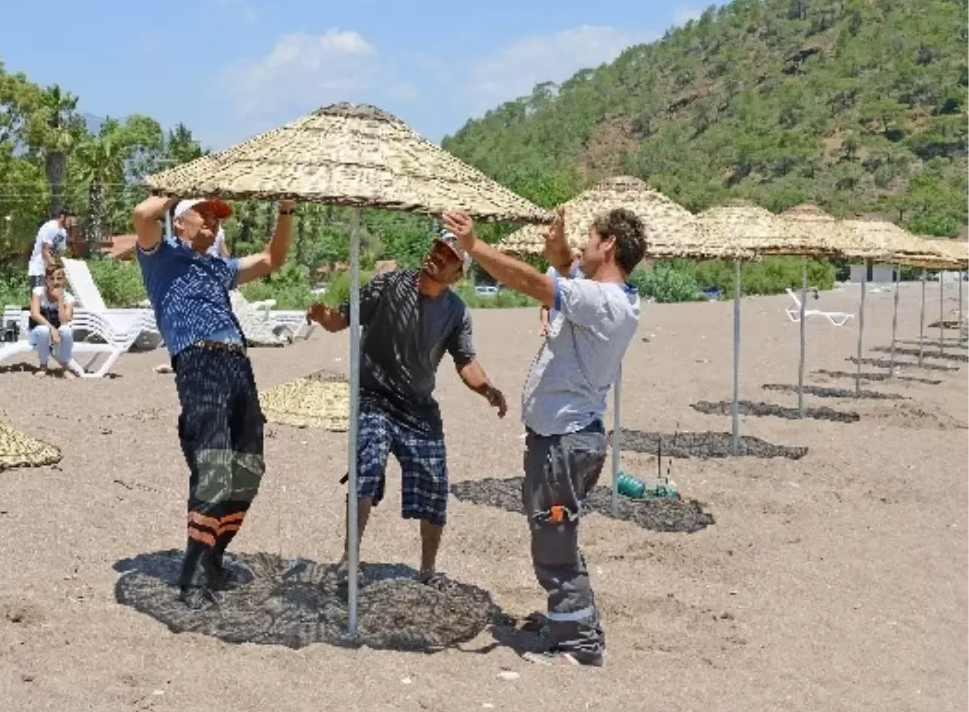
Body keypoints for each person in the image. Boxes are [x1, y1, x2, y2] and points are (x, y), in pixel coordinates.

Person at [442, 205, 646, 667]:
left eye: (590, 238)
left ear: (609, 244)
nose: (583, 245)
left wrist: (473, 246)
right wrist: (558, 255)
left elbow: (535, 284)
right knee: (558, 532)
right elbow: (561, 272)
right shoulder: (607, 296)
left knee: (554, 538)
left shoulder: (604, 301)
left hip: (565, 440)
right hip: (566, 437)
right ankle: (569, 618)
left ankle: (579, 643)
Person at [306, 232, 507, 585]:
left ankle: (428, 570)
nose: (438, 257)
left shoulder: (456, 311)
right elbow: (342, 320)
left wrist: (487, 388)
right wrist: (324, 317)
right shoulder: (387, 286)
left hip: (418, 407)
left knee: (434, 483)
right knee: (367, 465)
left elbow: (466, 361)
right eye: (437, 249)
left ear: (457, 274)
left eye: (448, 256)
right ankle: (348, 561)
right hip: (375, 397)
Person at [132, 193, 294, 608]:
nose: (214, 222)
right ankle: (190, 580)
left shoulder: (220, 268)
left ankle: (214, 559)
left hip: (238, 362)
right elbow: (143, 214)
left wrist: (286, 210)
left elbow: (273, 258)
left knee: (250, 467)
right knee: (215, 465)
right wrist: (180, 185)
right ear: (180, 222)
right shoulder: (160, 255)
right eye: (204, 214)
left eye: (217, 217)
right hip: (198, 358)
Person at [28, 261, 78, 378]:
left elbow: (64, 322)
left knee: (66, 330)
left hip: (57, 336)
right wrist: (52, 330)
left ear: (64, 280)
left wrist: (60, 299)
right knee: (43, 330)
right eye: (51, 278)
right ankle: (43, 366)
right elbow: (35, 314)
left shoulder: (69, 298)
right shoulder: (38, 292)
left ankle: (65, 368)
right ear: (46, 280)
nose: (55, 282)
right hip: (37, 334)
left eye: (59, 278)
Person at [538, 246, 583, 336]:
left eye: (579, 257)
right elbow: (545, 304)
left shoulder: (583, 274)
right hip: (556, 327)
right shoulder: (553, 272)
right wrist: (545, 323)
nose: (576, 261)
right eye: (574, 257)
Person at [28, 207, 76, 288]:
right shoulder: (51, 227)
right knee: (37, 297)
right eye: (70, 221)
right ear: (62, 217)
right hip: (38, 269)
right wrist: (55, 269)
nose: (71, 224)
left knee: (52, 299)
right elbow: (45, 251)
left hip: (50, 272)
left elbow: (60, 255)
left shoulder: (63, 233)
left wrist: (66, 269)